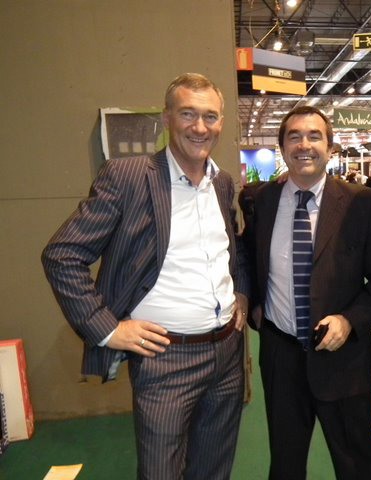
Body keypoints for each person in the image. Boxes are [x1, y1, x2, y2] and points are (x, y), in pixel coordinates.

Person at [42, 73, 249, 480]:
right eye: (188, 114)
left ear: (221, 122)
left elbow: (231, 249)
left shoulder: (222, 183)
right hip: (165, 360)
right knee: (160, 472)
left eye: (210, 116)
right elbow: (62, 255)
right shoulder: (129, 177)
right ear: (167, 118)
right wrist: (107, 328)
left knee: (214, 469)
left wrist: (239, 292)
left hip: (227, 353)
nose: (200, 126)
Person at [239, 106, 371, 480]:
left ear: (330, 147)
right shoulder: (261, 201)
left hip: (342, 356)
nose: (304, 145)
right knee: (286, 464)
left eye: (314, 136)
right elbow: (247, 257)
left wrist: (350, 320)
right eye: (294, 137)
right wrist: (254, 304)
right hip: (281, 355)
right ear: (282, 147)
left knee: (357, 464)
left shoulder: (362, 202)